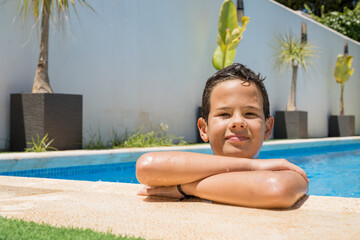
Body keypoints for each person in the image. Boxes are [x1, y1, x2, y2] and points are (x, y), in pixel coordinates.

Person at [136, 63, 309, 209]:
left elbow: (277, 189)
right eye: (224, 114)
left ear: (267, 128)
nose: (238, 122)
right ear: (204, 129)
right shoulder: (275, 166)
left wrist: (183, 188)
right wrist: (254, 166)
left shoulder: (287, 172)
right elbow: (146, 166)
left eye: (250, 113)